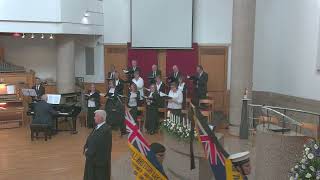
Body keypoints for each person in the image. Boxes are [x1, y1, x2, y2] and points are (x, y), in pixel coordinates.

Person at [83, 110, 112, 180]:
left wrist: (88, 152)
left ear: (101, 118)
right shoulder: (99, 127)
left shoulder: (105, 130)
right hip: (94, 159)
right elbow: (91, 139)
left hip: (98, 161)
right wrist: (86, 147)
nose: (94, 118)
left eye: (96, 116)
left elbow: (97, 144)